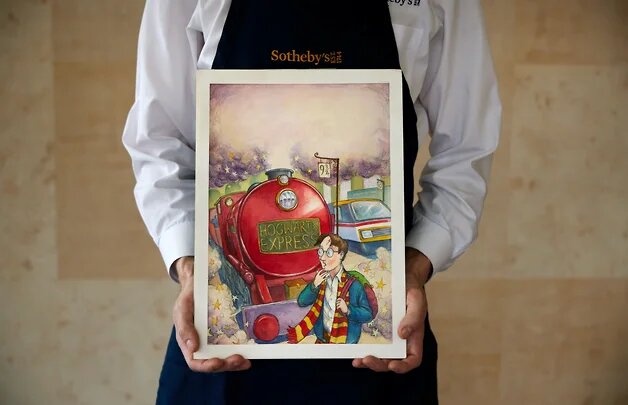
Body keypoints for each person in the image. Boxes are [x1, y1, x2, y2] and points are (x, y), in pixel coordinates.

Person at [122, 0, 501, 403]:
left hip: (376, 364)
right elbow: (160, 144)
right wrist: (192, 271)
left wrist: (412, 268)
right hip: (223, 362)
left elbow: (466, 152)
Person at [289, 233, 374, 344]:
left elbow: (368, 315)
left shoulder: (354, 285)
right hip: (322, 340)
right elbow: (302, 302)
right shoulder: (321, 280)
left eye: (329, 253)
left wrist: (348, 310)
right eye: (320, 252)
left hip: (345, 344)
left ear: (341, 255)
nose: (322, 258)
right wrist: (314, 285)